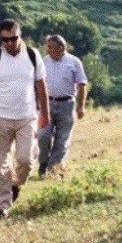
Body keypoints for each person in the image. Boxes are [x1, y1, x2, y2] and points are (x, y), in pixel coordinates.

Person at [0, 19, 49, 220]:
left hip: (27, 118)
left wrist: (46, 113)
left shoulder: (33, 56)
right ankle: (2, 207)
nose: (9, 43)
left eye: (13, 38)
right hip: (0, 118)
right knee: (1, 164)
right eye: (5, 40)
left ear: (20, 35)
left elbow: (42, 87)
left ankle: (16, 185)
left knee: (25, 161)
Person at [36, 34, 88, 178]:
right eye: (48, 48)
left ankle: (53, 170)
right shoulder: (44, 61)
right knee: (42, 135)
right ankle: (43, 162)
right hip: (47, 104)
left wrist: (81, 106)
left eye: (51, 48)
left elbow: (82, 84)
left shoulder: (74, 62)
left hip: (67, 104)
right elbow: (37, 83)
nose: (48, 50)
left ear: (61, 48)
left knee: (62, 140)